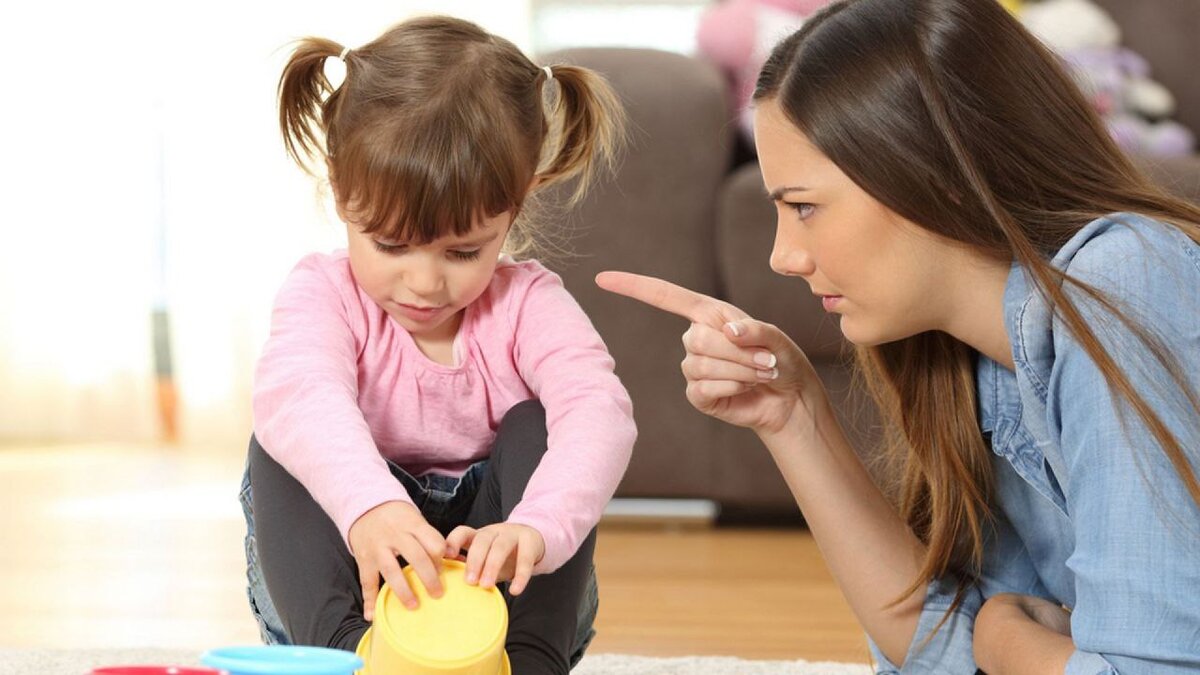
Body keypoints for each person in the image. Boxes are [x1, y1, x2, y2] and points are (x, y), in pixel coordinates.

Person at [597, 0, 1200, 672]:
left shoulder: (1123, 283)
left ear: (934, 177)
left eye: (803, 206)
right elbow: (941, 656)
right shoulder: (979, 362)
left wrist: (1002, 637)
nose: (783, 256)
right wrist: (794, 416)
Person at [237, 15, 635, 674]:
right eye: (391, 244)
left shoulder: (529, 304)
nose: (424, 282)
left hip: (499, 619)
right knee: (282, 435)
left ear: (517, 203)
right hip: (355, 598)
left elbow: (601, 413)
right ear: (340, 192)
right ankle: (347, 659)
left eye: (463, 250)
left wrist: (535, 527)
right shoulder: (322, 293)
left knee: (542, 421)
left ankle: (530, 663)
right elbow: (298, 393)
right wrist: (372, 507)